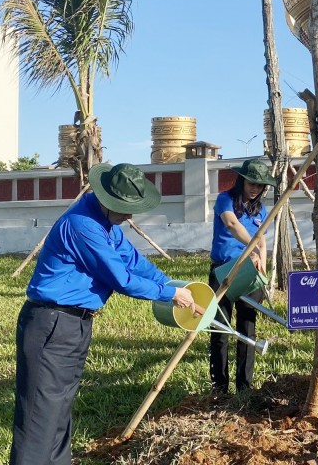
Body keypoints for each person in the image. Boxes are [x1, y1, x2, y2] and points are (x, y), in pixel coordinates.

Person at [11, 163, 196, 465]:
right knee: (38, 419)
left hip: (75, 325)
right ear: (107, 201)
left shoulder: (106, 225)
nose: (130, 216)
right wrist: (170, 294)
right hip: (52, 323)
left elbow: (134, 262)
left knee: (59, 415)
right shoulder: (83, 226)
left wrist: (174, 286)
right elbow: (120, 277)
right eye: (125, 208)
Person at [209, 158, 275, 394]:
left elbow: (263, 239)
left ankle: (244, 387)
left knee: (248, 328)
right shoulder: (225, 199)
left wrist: (263, 266)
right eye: (251, 183)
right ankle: (219, 385)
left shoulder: (262, 210)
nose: (255, 188)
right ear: (241, 180)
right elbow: (232, 224)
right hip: (223, 270)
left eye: (260, 185)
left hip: (250, 273)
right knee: (220, 328)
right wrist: (253, 246)